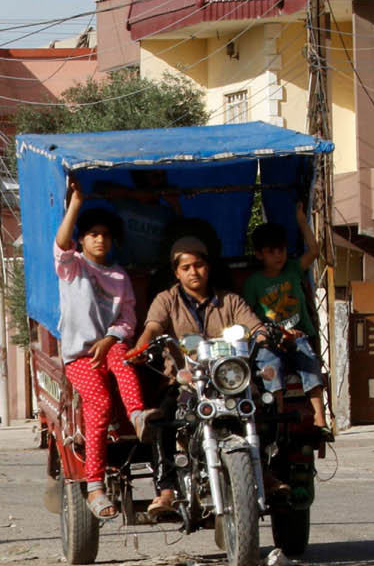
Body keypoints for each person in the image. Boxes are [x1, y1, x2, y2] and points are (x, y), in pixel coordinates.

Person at [133, 235, 263, 519]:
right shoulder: (166, 300)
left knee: (264, 408)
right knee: (164, 419)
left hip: (229, 381)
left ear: (209, 267)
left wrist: (263, 333)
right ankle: (166, 489)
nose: (194, 272)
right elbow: (153, 326)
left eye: (199, 265)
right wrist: (142, 344)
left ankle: (271, 475)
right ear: (177, 272)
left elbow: (253, 324)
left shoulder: (230, 301)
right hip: (184, 382)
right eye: (186, 267)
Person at [56, 176, 155, 520]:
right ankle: (95, 485)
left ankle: (139, 417)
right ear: (82, 240)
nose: (100, 240)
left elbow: (128, 320)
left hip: (109, 346)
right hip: (80, 357)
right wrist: (76, 204)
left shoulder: (119, 277)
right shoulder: (73, 268)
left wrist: (111, 338)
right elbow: (61, 241)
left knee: (125, 361)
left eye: (105, 235)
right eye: (93, 235)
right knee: (97, 405)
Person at [242, 203, 329, 432]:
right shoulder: (254, 283)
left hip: (298, 337)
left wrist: (302, 221)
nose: (278, 255)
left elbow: (314, 251)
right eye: (271, 251)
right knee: (271, 367)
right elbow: (247, 315)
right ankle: (278, 417)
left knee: (310, 363)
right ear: (259, 254)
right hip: (270, 340)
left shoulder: (292, 269)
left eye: (280, 249)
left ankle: (320, 418)